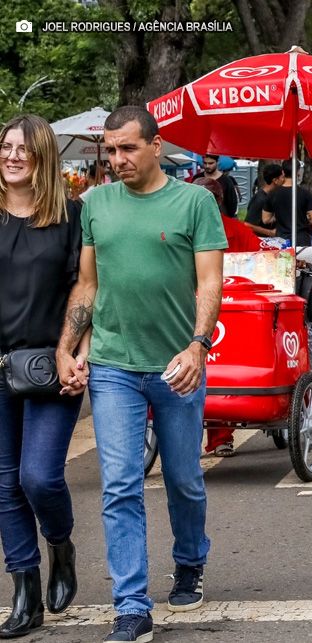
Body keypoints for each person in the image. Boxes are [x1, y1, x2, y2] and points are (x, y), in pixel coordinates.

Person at [55, 106, 227, 642]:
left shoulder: (195, 201)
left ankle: (191, 559)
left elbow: (209, 282)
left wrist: (198, 347)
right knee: (120, 485)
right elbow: (86, 285)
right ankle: (131, 603)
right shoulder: (95, 204)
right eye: (109, 149)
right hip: (112, 366)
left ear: (157, 146)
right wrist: (68, 347)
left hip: (177, 364)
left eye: (127, 148)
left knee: (183, 480)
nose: (117, 159)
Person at [0, 114, 84, 638]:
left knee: (39, 477)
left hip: (49, 362)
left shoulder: (70, 217)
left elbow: (87, 288)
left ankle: (61, 544)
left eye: (23, 149)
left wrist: (75, 352)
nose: (11, 156)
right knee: (4, 483)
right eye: (5, 147)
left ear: (43, 158)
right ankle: (25, 591)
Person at [193, 177, 263, 459]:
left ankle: (205, 438)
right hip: (237, 311)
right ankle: (221, 437)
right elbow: (261, 264)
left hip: (197, 308)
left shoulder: (188, 230)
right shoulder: (238, 230)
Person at [261, 162, 312, 247]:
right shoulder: (305, 193)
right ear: (298, 173)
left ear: (283, 172)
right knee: (301, 260)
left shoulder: (272, 194)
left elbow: (265, 219)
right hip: (301, 239)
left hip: (281, 240)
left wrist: (279, 216)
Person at [243, 163, 284, 238]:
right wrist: (270, 232)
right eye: (282, 177)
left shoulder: (271, 196)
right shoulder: (260, 199)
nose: (284, 180)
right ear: (275, 180)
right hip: (261, 241)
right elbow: (247, 224)